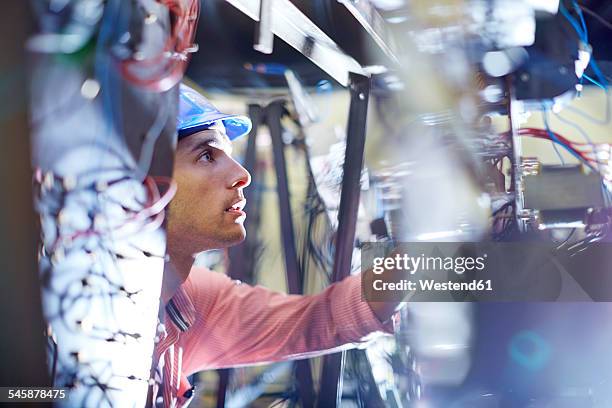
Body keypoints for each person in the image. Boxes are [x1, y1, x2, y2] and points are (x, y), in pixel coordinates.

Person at [150, 83, 398, 407]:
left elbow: (320, 320)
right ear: (142, 182)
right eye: (206, 155)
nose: (242, 174)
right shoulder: (71, 313)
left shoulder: (191, 301)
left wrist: (460, 258)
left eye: (230, 154)